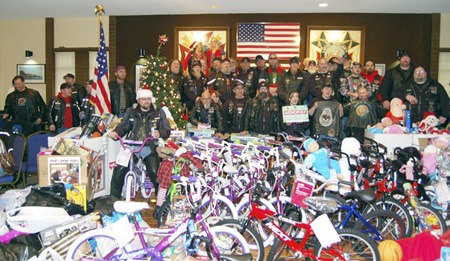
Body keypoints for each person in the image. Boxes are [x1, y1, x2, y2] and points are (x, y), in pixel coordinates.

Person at [107, 87, 171, 199]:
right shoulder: (131, 111)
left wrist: (160, 133)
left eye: (148, 99)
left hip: (150, 147)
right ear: (138, 100)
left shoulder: (158, 112)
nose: (146, 101)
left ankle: (161, 201)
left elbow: (166, 129)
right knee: (119, 170)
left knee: (154, 172)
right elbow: (124, 126)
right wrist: (116, 133)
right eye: (143, 99)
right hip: (131, 145)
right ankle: (113, 200)